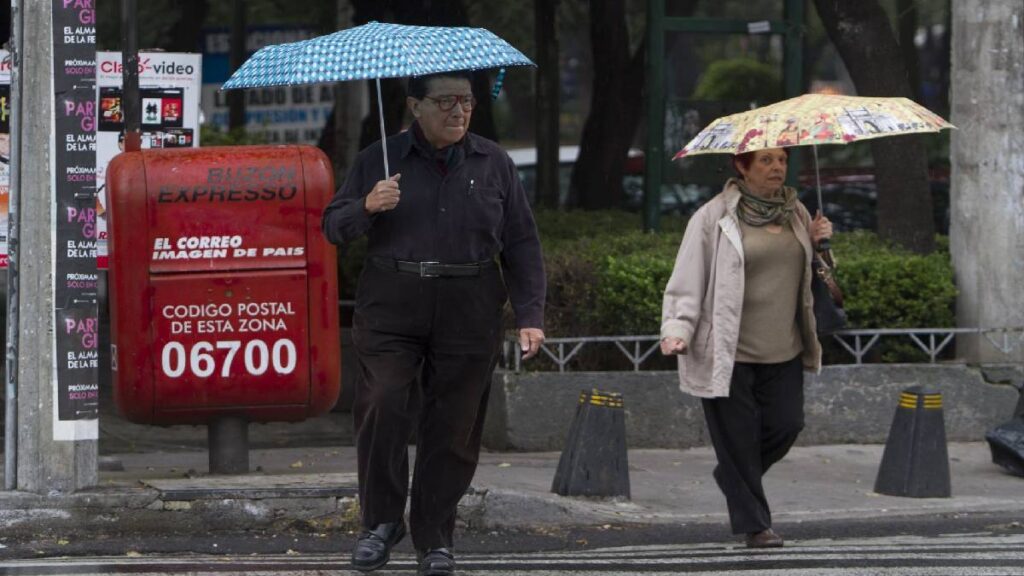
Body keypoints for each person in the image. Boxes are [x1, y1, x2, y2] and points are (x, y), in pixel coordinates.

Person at [321, 70, 546, 576]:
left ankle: (435, 537)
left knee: (453, 425)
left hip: (469, 304)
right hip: (392, 302)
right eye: (444, 102)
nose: (458, 112)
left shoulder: (494, 163)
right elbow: (333, 226)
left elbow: (522, 243)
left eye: (465, 102)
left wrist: (530, 315)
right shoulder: (379, 159)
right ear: (414, 107)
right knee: (382, 402)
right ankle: (380, 523)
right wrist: (367, 205)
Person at [659, 147, 832, 548]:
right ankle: (758, 526)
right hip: (728, 351)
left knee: (787, 425)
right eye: (766, 161)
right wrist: (677, 328)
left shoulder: (798, 214)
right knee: (737, 440)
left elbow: (813, 279)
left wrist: (822, 243)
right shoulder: (713, 216)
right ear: (742, 167)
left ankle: (734, 475)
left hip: (784, 348)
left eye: (782, 161)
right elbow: (687, 278)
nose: (777, 168)